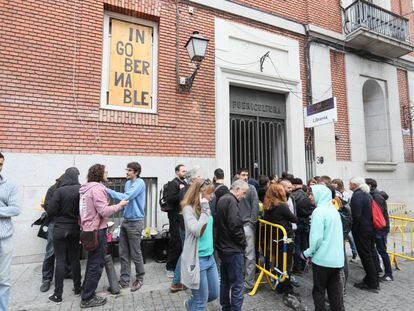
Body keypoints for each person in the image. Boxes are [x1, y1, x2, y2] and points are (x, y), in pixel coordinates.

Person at [79, 164, 128, 308]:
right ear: (99, 174)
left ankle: (85, 290)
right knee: (96, 264)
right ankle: (87, 298)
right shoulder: (97, 189)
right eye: (106, 172)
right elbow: (104, 211)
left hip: (87, 230)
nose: (107, 174)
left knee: (91, 262)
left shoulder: (85, 189)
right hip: (97, 231)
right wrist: (120, 205)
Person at [303, 185, 344, 311]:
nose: (309, 197)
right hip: (336, 259)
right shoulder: (334, 210)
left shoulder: (318, 212)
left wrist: (307, 253)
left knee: (319, 291)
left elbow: (317, 238)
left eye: (312, 194)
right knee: (334, 292)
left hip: (322, 259)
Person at [107, 162, 146, 291]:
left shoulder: (140, 183)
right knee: (123, 253)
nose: (127, 172)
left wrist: (107, 190)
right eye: (127, 170)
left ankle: (140, 278)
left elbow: (126, 197)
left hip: (135, 222)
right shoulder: (128, 183)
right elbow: (125, 203)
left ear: (136, 172)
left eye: (130, 170)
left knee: (135, 253)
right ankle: (124, 280)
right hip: (126, 221)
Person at [181, 179, 219, 311]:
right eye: (209, 193)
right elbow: (197, 231)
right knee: (201, 302)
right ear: (199, 194)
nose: (212, 196)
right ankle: (194, 305)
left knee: (214, 293)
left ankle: (191, 304)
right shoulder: (188, 210)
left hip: (210, 257)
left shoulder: (206, 207)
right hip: (197, 260)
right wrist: (204, 209)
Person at [46, 167, 82, 304]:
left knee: (60, 260)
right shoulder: (81, 190)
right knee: (74, 259)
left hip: (60, 228)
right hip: (75, 228)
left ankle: (58, 295)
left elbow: (50, 211)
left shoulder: (59, 191)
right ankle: (78, 289)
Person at [263, 182, 300, 309]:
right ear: (280, 193)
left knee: (279, 262)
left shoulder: (267, 205)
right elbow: (294, 219)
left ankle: (279, 286)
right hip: (285, 238)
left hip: (274, 238)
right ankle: (287, 288)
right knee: (287, 264)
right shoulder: (282, 206)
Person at [215, 180, 248, 311]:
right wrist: (242, 242)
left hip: (223, 247)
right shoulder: (231, 201)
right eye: (243, 193)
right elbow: (234, 225)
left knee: (225, 281)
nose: (244, 196)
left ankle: (225, 307)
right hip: (233, 249)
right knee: (237, 284)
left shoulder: (222, 199)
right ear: (237, 189)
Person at [170, 168, 203, 293]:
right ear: (193, 179)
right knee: (187, 254)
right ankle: (177, 282)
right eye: (199, 176)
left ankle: (182, 280)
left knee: (187, 253)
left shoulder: (183, 190)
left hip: (184, 226)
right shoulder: (189, 191)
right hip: (189, 228)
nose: (201, 178)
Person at [40, 174, 72, 293]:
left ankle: (67, 272)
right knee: (51, 252)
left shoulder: (70, 188)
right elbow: (48, 207)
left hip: (68, 224)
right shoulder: (53, 189)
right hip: (54, 224)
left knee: (68, 250)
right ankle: (46, 279)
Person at [349, 177, 379, 292]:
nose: (349, 185)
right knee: (370, 253)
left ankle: (372, 282)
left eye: (350, 183)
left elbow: (356, 215)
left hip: (362, 230)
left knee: (366, 256)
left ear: (355, 185)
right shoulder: (366, 194)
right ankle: (373, 279)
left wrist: (353, 229)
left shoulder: (357, 195)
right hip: (370, 229)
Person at [0, 152, 20, 310]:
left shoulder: (9, 185)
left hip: (4, 237)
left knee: (3, 279)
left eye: (1, 165)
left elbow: (15, 209)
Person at [365, 178, 393, 281]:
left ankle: (389, 273)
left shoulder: (377, 197)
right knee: (376, 250)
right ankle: (378, 270)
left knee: (382, 251)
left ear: (370, 185)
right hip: (377, 228)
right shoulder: (373, 195)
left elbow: (377, 214)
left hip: (380, 229)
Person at [237, 168, 259, 290]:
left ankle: (249, 283)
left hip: (247, 226)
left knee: (249, 256)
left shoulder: (251, 188)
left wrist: (251, 222)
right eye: (243, 175)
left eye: (247, 175)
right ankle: (239, 278)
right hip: (236, 226)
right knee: (238, 254)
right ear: (238, 176)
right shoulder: (235, 188)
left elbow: (255, 206)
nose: (245, 177)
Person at [165, 164, 187, 278]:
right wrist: (181, 192)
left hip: (182, 218)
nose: (185, 173)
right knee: (175, 242)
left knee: (181, 243)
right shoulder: (174, 183)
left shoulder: (185, 183)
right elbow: (170, 199)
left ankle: (179, 267)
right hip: (175, 218)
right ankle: (170, 267)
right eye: (183, 171)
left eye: (185, 171)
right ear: (177, 172)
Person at [332, 178, 357, 262]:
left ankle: (354, 252)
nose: (334, 184)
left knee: (349, 236)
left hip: (345, 217)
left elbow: (343, 205)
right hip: (339, 216)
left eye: (335, 183)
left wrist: (338, 199)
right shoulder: (334, 193)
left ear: (339, 184)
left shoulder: (345, 193)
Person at [290, 178, 312, 274]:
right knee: (304, 244)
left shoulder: (293, 196)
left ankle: (297, 268)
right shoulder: (306, 194)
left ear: (294, 185)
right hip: (306, 222)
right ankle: (304, 266)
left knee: (297, 245)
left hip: (297, 222)